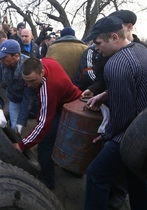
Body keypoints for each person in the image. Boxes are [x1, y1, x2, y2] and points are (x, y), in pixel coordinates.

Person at [81, 15, 147, 210]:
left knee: (96, 174)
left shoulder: (116, 65)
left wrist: (106, 135)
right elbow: (136, 83)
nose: (95, 48)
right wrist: (105, 94)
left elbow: (122, 116)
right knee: (136, 177)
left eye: (99, 42)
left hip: (131, 135)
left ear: (114, 37)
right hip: (144, 129)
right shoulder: (140, 50)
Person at [13, 57, 81, 190]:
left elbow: (43, 125)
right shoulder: (43, 61)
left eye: (32, 81)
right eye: (26, 81)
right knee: (64, 139)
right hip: (68, 101)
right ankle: (74, 170)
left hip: (68, 107)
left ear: (42, 72)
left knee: (44, 143)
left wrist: (22, 145)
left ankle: (47, 181)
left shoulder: (48, 89)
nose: (29, 85)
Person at [0, 39, 33, 133]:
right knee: (15, 128)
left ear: (16, 56)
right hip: (14, 98)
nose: (0, 58)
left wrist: (21, 121)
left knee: (40, 125)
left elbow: (29, 96)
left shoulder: (28, 65)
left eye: (4, 56)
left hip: (31, 99)